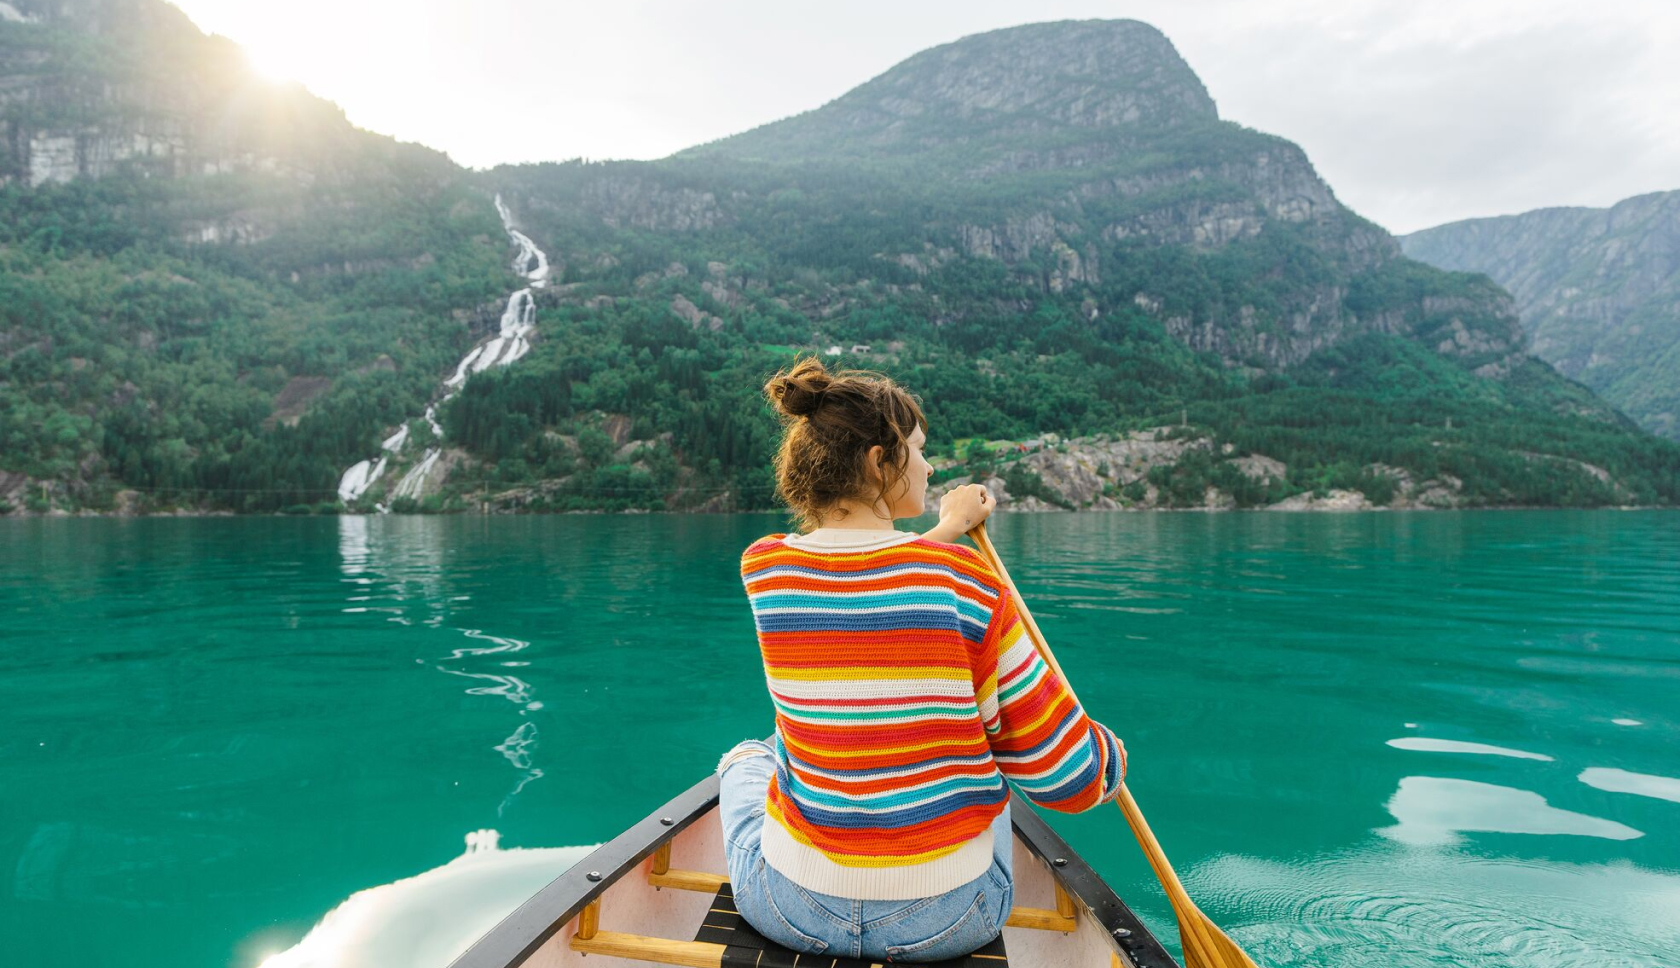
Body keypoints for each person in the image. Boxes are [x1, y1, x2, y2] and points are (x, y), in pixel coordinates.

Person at [719, 355, 1126, 962]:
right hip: (949, 921)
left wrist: (946, 529)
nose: (930, 466)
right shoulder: (970, 585)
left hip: (790, 908)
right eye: (919, 449)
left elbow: (861, 574)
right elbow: (1067, 780)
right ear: (879, 462)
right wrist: (1109, 761)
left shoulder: (767, 568)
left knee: (749, 757)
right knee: (988, 774)